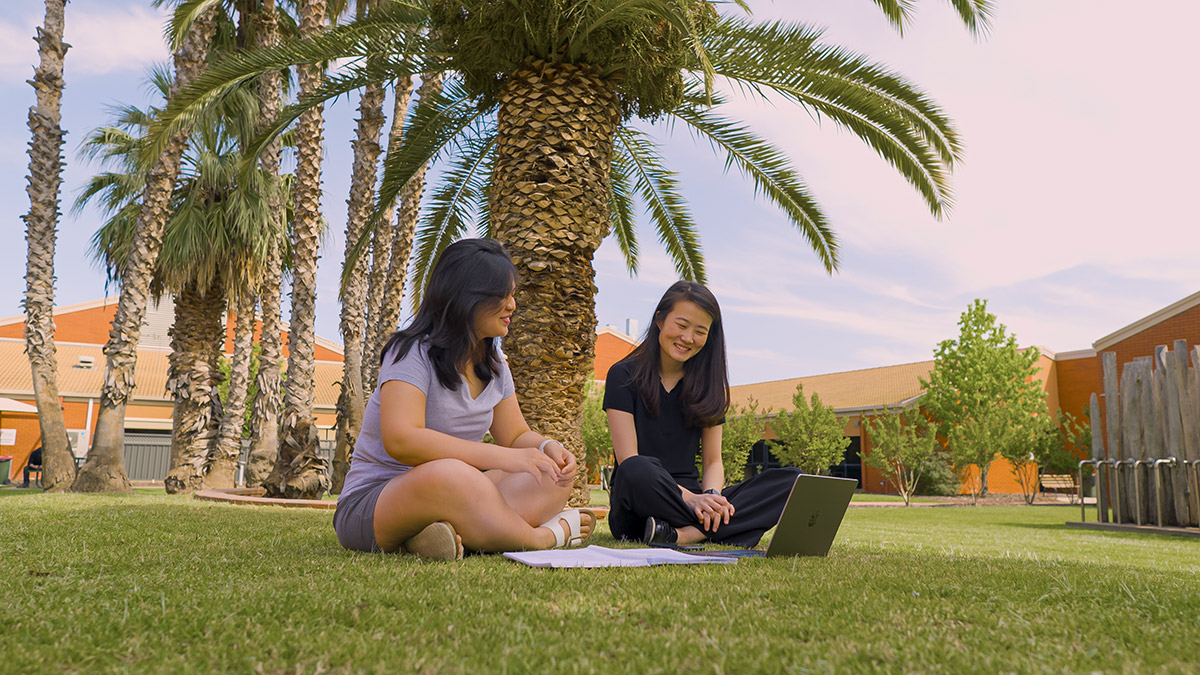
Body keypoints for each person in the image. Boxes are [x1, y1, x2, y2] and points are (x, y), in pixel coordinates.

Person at [334, 238, 595, 560]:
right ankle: (542, 538)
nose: (512, 305)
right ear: (465, 297)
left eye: (513, 295)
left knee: (549, 475)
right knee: (453, 475)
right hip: (373, 503)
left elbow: (514, 435)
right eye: (502, 296)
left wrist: (545, 448)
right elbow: (402, 440)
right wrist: (500, 459)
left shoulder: (495, 366)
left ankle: (433, 535)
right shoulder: (411, 352)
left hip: (453, 487)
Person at [603, 281, 801, 548]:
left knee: (793, 481)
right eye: (682, 325)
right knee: (636, 468)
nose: (688, 338)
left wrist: (711, 497)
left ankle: (685, 534)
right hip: (640, 499)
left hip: (694, 500)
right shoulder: (623, 375)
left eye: (700, 331)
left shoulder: (708, 386)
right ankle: (718, 528)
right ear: (660, 320)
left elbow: (712, 461)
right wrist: (692, 500)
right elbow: (628, 457)